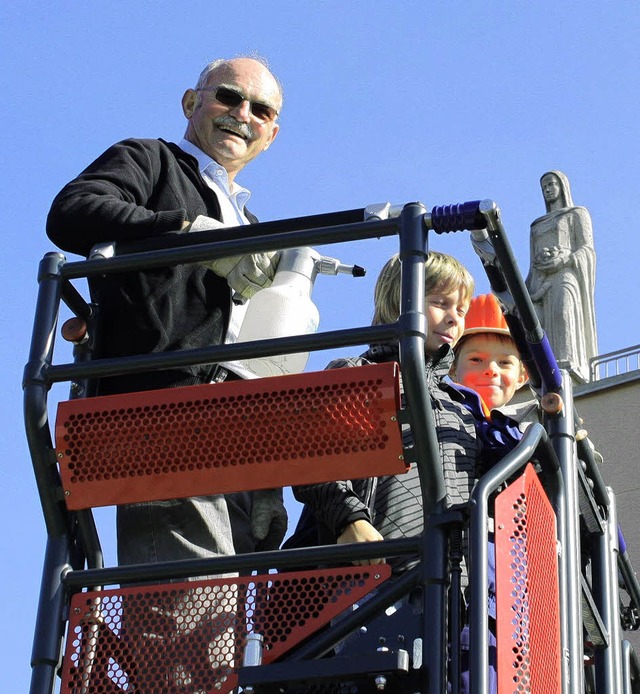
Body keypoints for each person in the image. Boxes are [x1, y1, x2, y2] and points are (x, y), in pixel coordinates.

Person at [46, 58, 288, 688]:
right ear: (191, 102)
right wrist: (182, 229)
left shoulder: (252, 224)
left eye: (260, 109)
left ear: (273, 133)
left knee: (231, 607)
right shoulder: (151, 161)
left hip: (236, 422)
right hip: (163, 409)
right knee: (190, 614)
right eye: (228, 97)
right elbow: (73, 210)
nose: (242, 115)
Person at [525, 170, 598, 383]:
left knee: (564, 313)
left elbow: (587, 250)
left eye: (551, 184)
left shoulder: (576, 214)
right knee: (535, 323)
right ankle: (542, 371)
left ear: (562, 186)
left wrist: (563, 260)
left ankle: (568, 363)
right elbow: (532, 263)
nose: (547, 189)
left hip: (566, 275)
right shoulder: (537, 225)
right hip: (541, 280)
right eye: (544, 187)